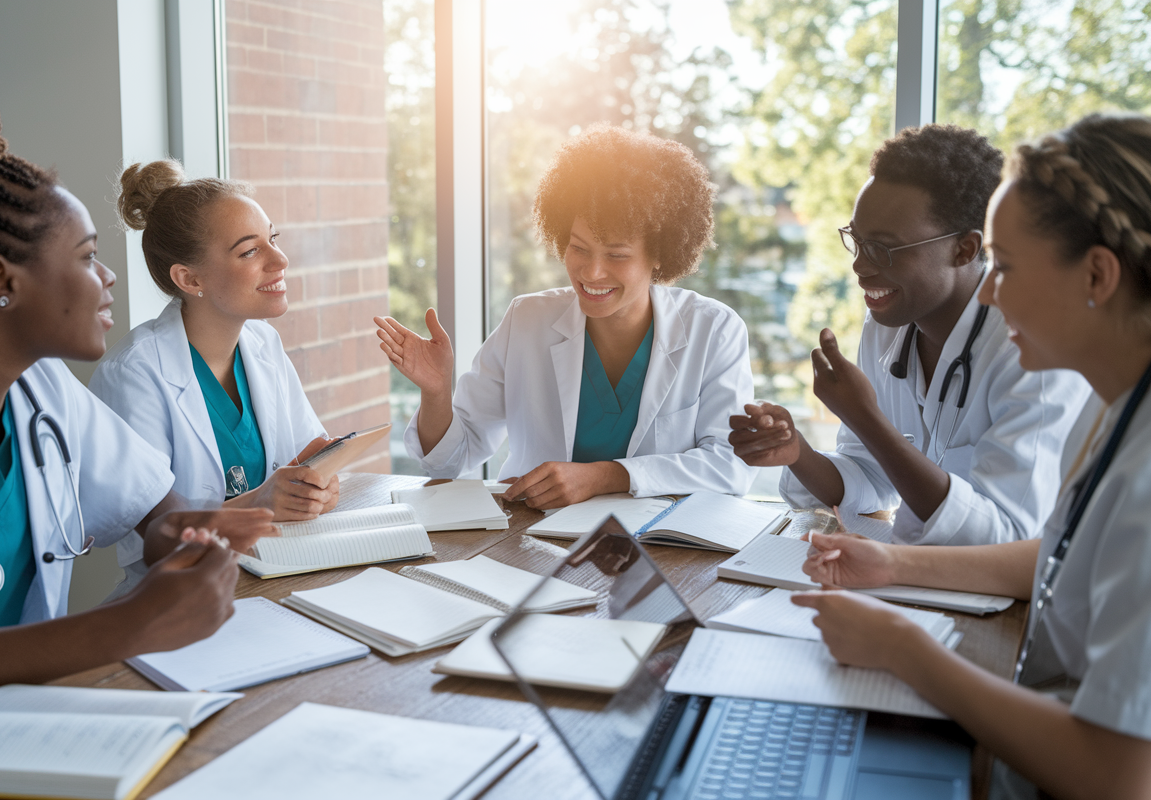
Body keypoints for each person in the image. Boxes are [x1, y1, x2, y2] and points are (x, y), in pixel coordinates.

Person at [0, 87, 277, 718]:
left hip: (23, 728)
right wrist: (120, 627)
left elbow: (156, 514)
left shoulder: (43, 389)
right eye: (88, 257)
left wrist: (193, 535)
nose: (108, 277)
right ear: (1, 280)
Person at [794, 113, 1151, 799]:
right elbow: (1053, 553)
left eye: (1007, 267)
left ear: (1098, 276)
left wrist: (903, 649)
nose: (988, 291)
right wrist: (895, 561)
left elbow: (1118, 775)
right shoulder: (1116, 411)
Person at [728, 125, 1090, 545]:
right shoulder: (888, 325)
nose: (860, 267)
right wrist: (797, 453)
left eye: (883, 248)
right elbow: (871, 479)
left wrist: (867, 418)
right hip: (927, 577)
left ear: (965, 250)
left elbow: (1003, 535)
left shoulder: (1035, 352)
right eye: (857, 241)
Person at [376, 125, 756, 508]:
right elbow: (451, 461)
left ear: (660, 254)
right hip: (534, 537)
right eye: (579, 248)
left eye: (617, 255)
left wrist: (606, 476)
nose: (591, 273)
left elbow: (731, 465)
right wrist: (437, 393)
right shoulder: (527, 320)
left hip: (660, 545)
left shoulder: (714, 330)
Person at [90, 161, 336, 595]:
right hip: (176, 598)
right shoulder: (133, 374)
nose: (280, 259)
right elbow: (160, 535)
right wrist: (262, 503)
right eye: (250, 251)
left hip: (274, 576)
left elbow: (307, 454)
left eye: (272, 240)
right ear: (189, 278)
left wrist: (318, 485)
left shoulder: (263, 344)